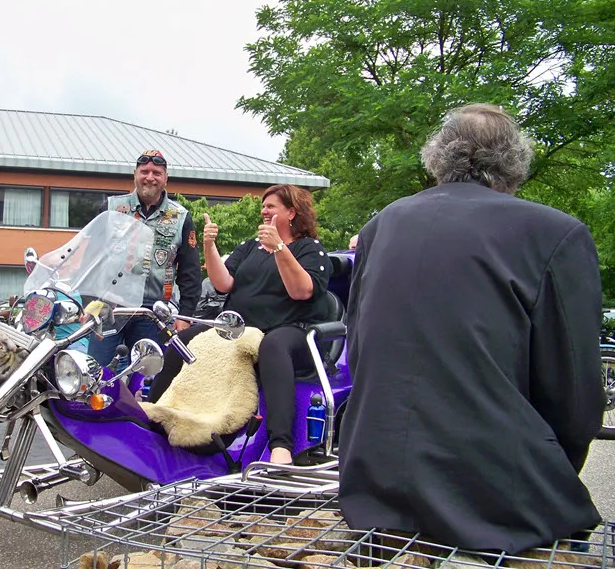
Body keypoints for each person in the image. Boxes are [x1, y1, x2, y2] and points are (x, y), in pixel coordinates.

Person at [338, 104, 604, 553]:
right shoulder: (555, 233)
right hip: (501, 499)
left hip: (372, 488)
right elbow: (576, 399)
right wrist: (551, 467)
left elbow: (359, 351)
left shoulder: (381, 225)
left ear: (438, 157)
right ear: (514, 161)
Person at [148, 184, 333, 464]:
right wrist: (209, 246)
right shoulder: (250, 247)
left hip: (293, 331)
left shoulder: (310, 249)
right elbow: (223, 283)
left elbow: (301, 291)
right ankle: (152, 414)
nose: (264, 210)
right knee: (185, 339)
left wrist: (279, 248)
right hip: (240, 329)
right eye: (263, 206)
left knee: (272, 344)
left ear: (291, 212)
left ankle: (281, 446)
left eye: (271, 206)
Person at [87, 150, 202, 368]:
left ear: (166, 178)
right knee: (96, 371)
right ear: (135, 175)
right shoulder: (111, 208)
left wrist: (185, 315)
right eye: (144, 172)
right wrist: (88, 303)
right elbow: (90, 260)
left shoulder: (181, 217)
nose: (150, 177)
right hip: (109, 305)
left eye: (156, 173)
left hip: (153, 310)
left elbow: (191, 272)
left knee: (148, 375)